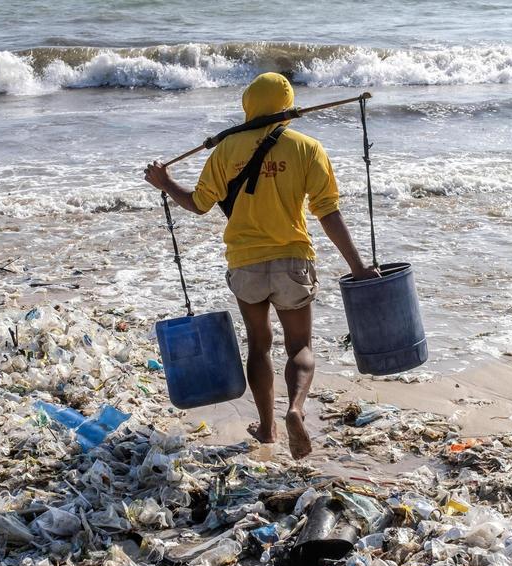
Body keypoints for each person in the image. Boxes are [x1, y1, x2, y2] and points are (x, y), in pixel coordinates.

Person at [144, 72, 378, 459]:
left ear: (248, 106)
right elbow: (327, 212)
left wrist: (165, 182)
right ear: (286, 105)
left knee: (259, 344)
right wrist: (357, 266)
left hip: (246, 263)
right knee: (299, 345)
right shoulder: (307, 147)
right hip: (293, 260)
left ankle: (268, 428)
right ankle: (295, 409)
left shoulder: (225, 150)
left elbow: (199, 204)